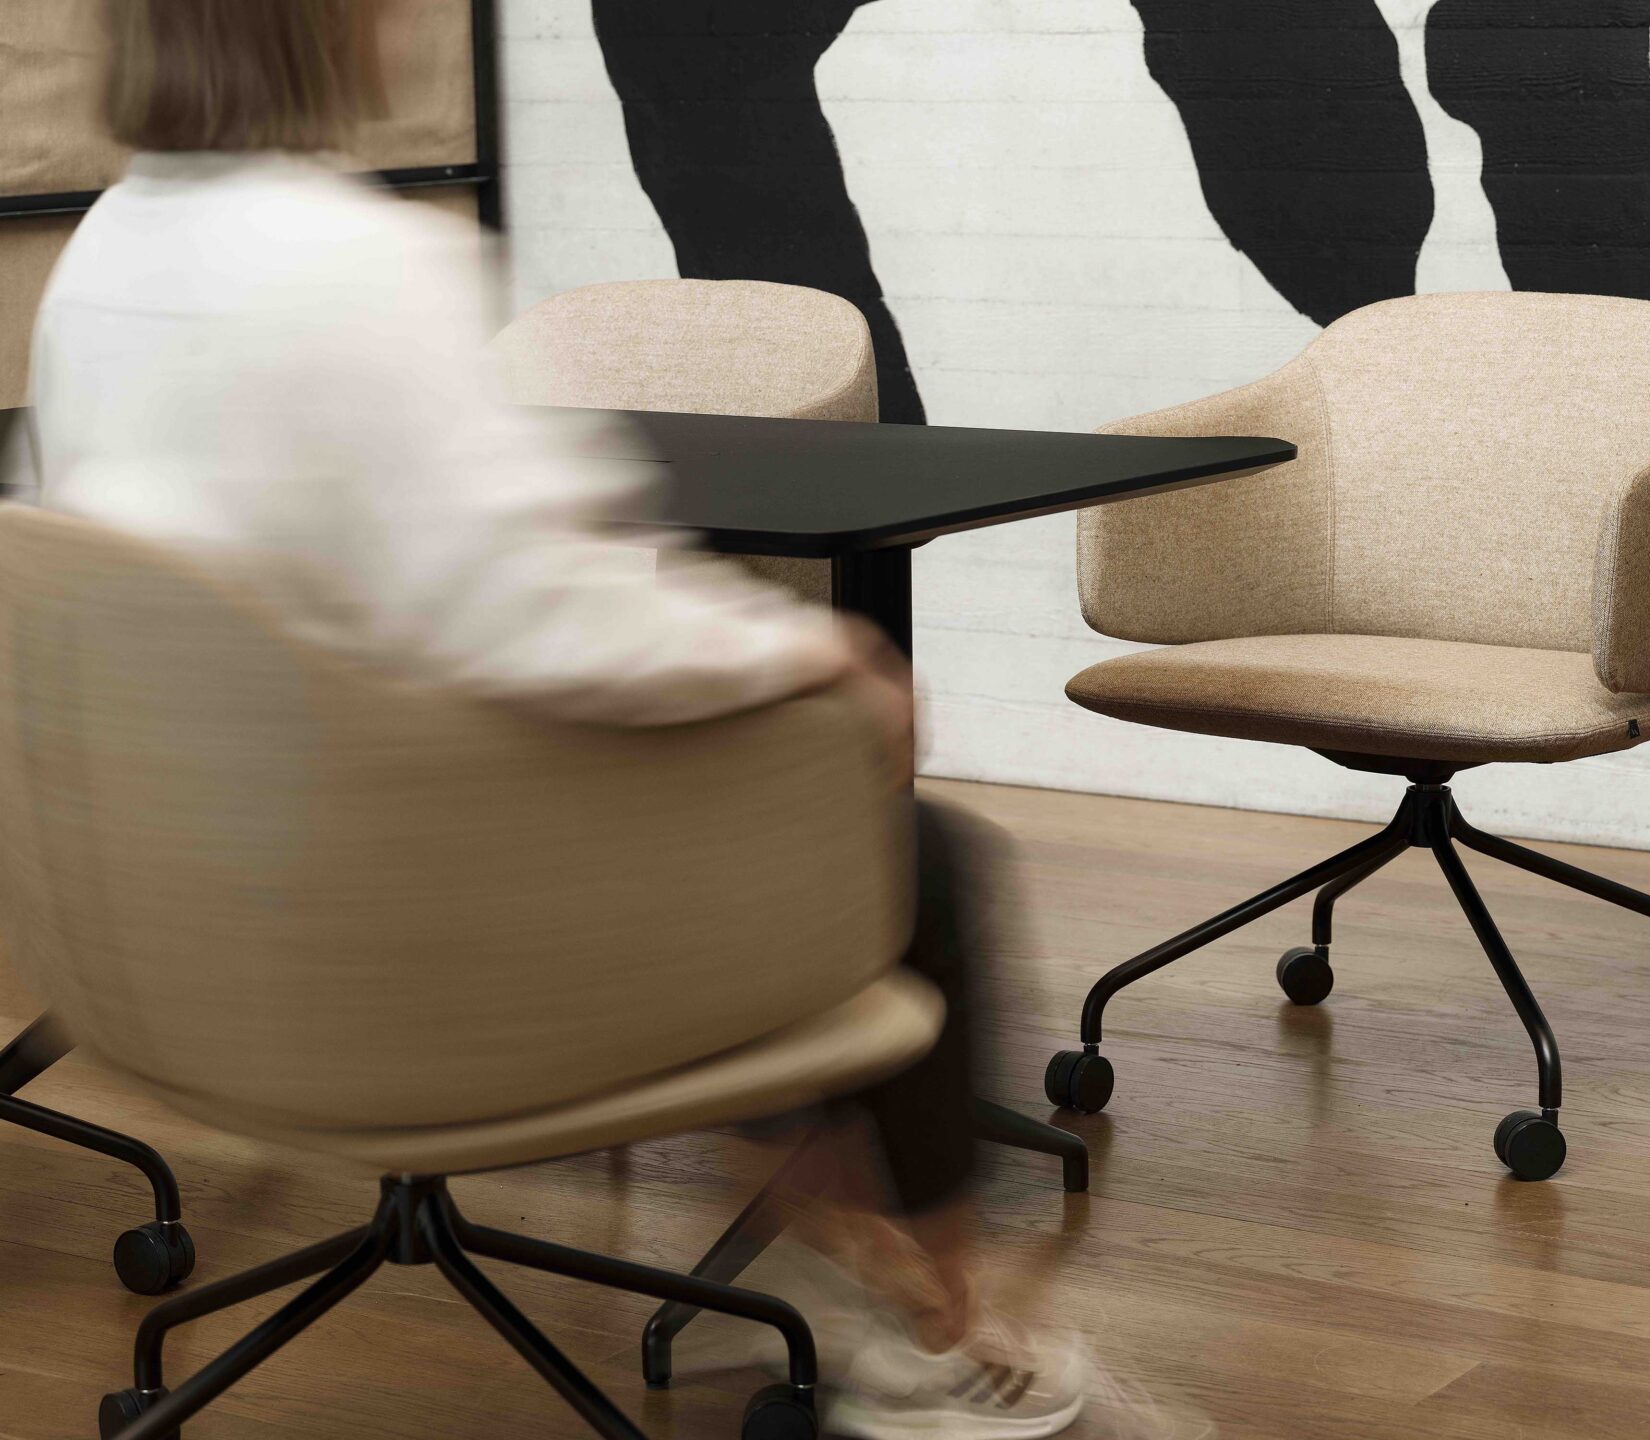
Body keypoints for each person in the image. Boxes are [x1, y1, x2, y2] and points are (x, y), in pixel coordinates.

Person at [17, 3, 1087, 1435]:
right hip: (411, 949)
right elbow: (543, 621)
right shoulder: (364, 263)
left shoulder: (103, 257)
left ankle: (840, 1224)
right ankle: (946, 1334)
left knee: (764, 819)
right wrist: (819, 659)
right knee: (906, 848)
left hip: (198, 928)